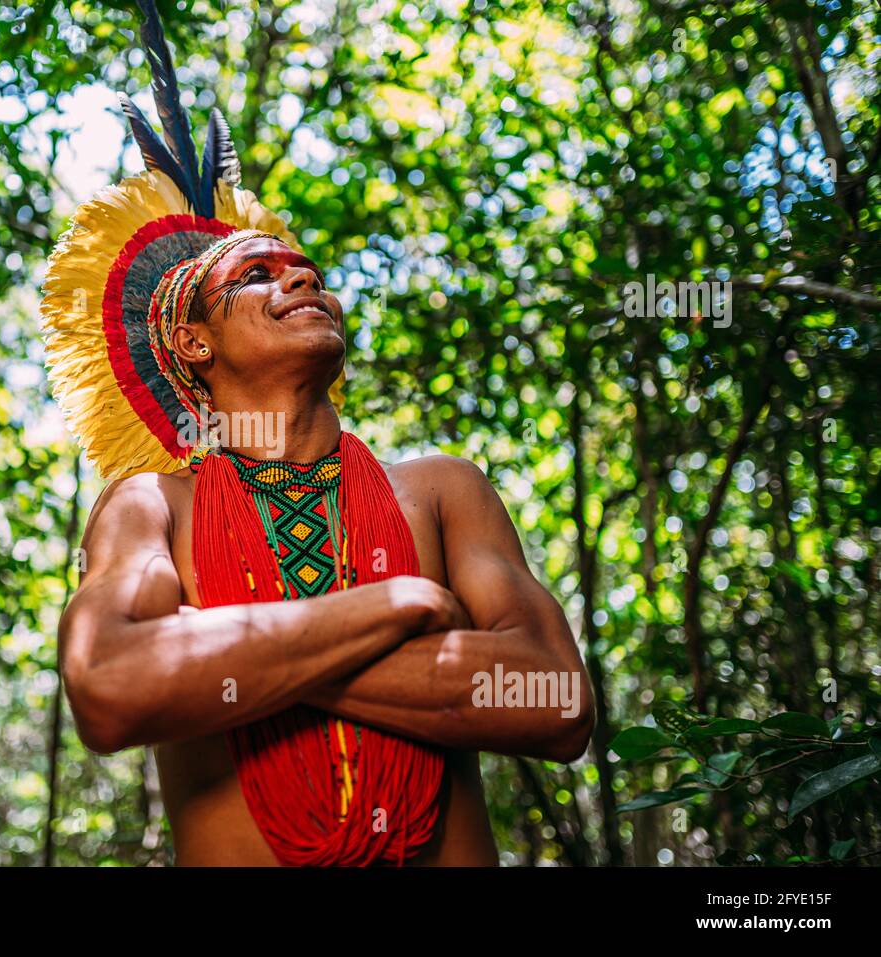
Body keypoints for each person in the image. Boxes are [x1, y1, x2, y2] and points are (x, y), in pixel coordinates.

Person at [40, 0, 592, 866]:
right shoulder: (151, 506)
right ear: (192, 342)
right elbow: (109, 685)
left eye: (310, 273)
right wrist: (395, 610)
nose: (302, 278)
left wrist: (249, 652)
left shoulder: (443, 490)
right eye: (257, 275)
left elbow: (556, 698)